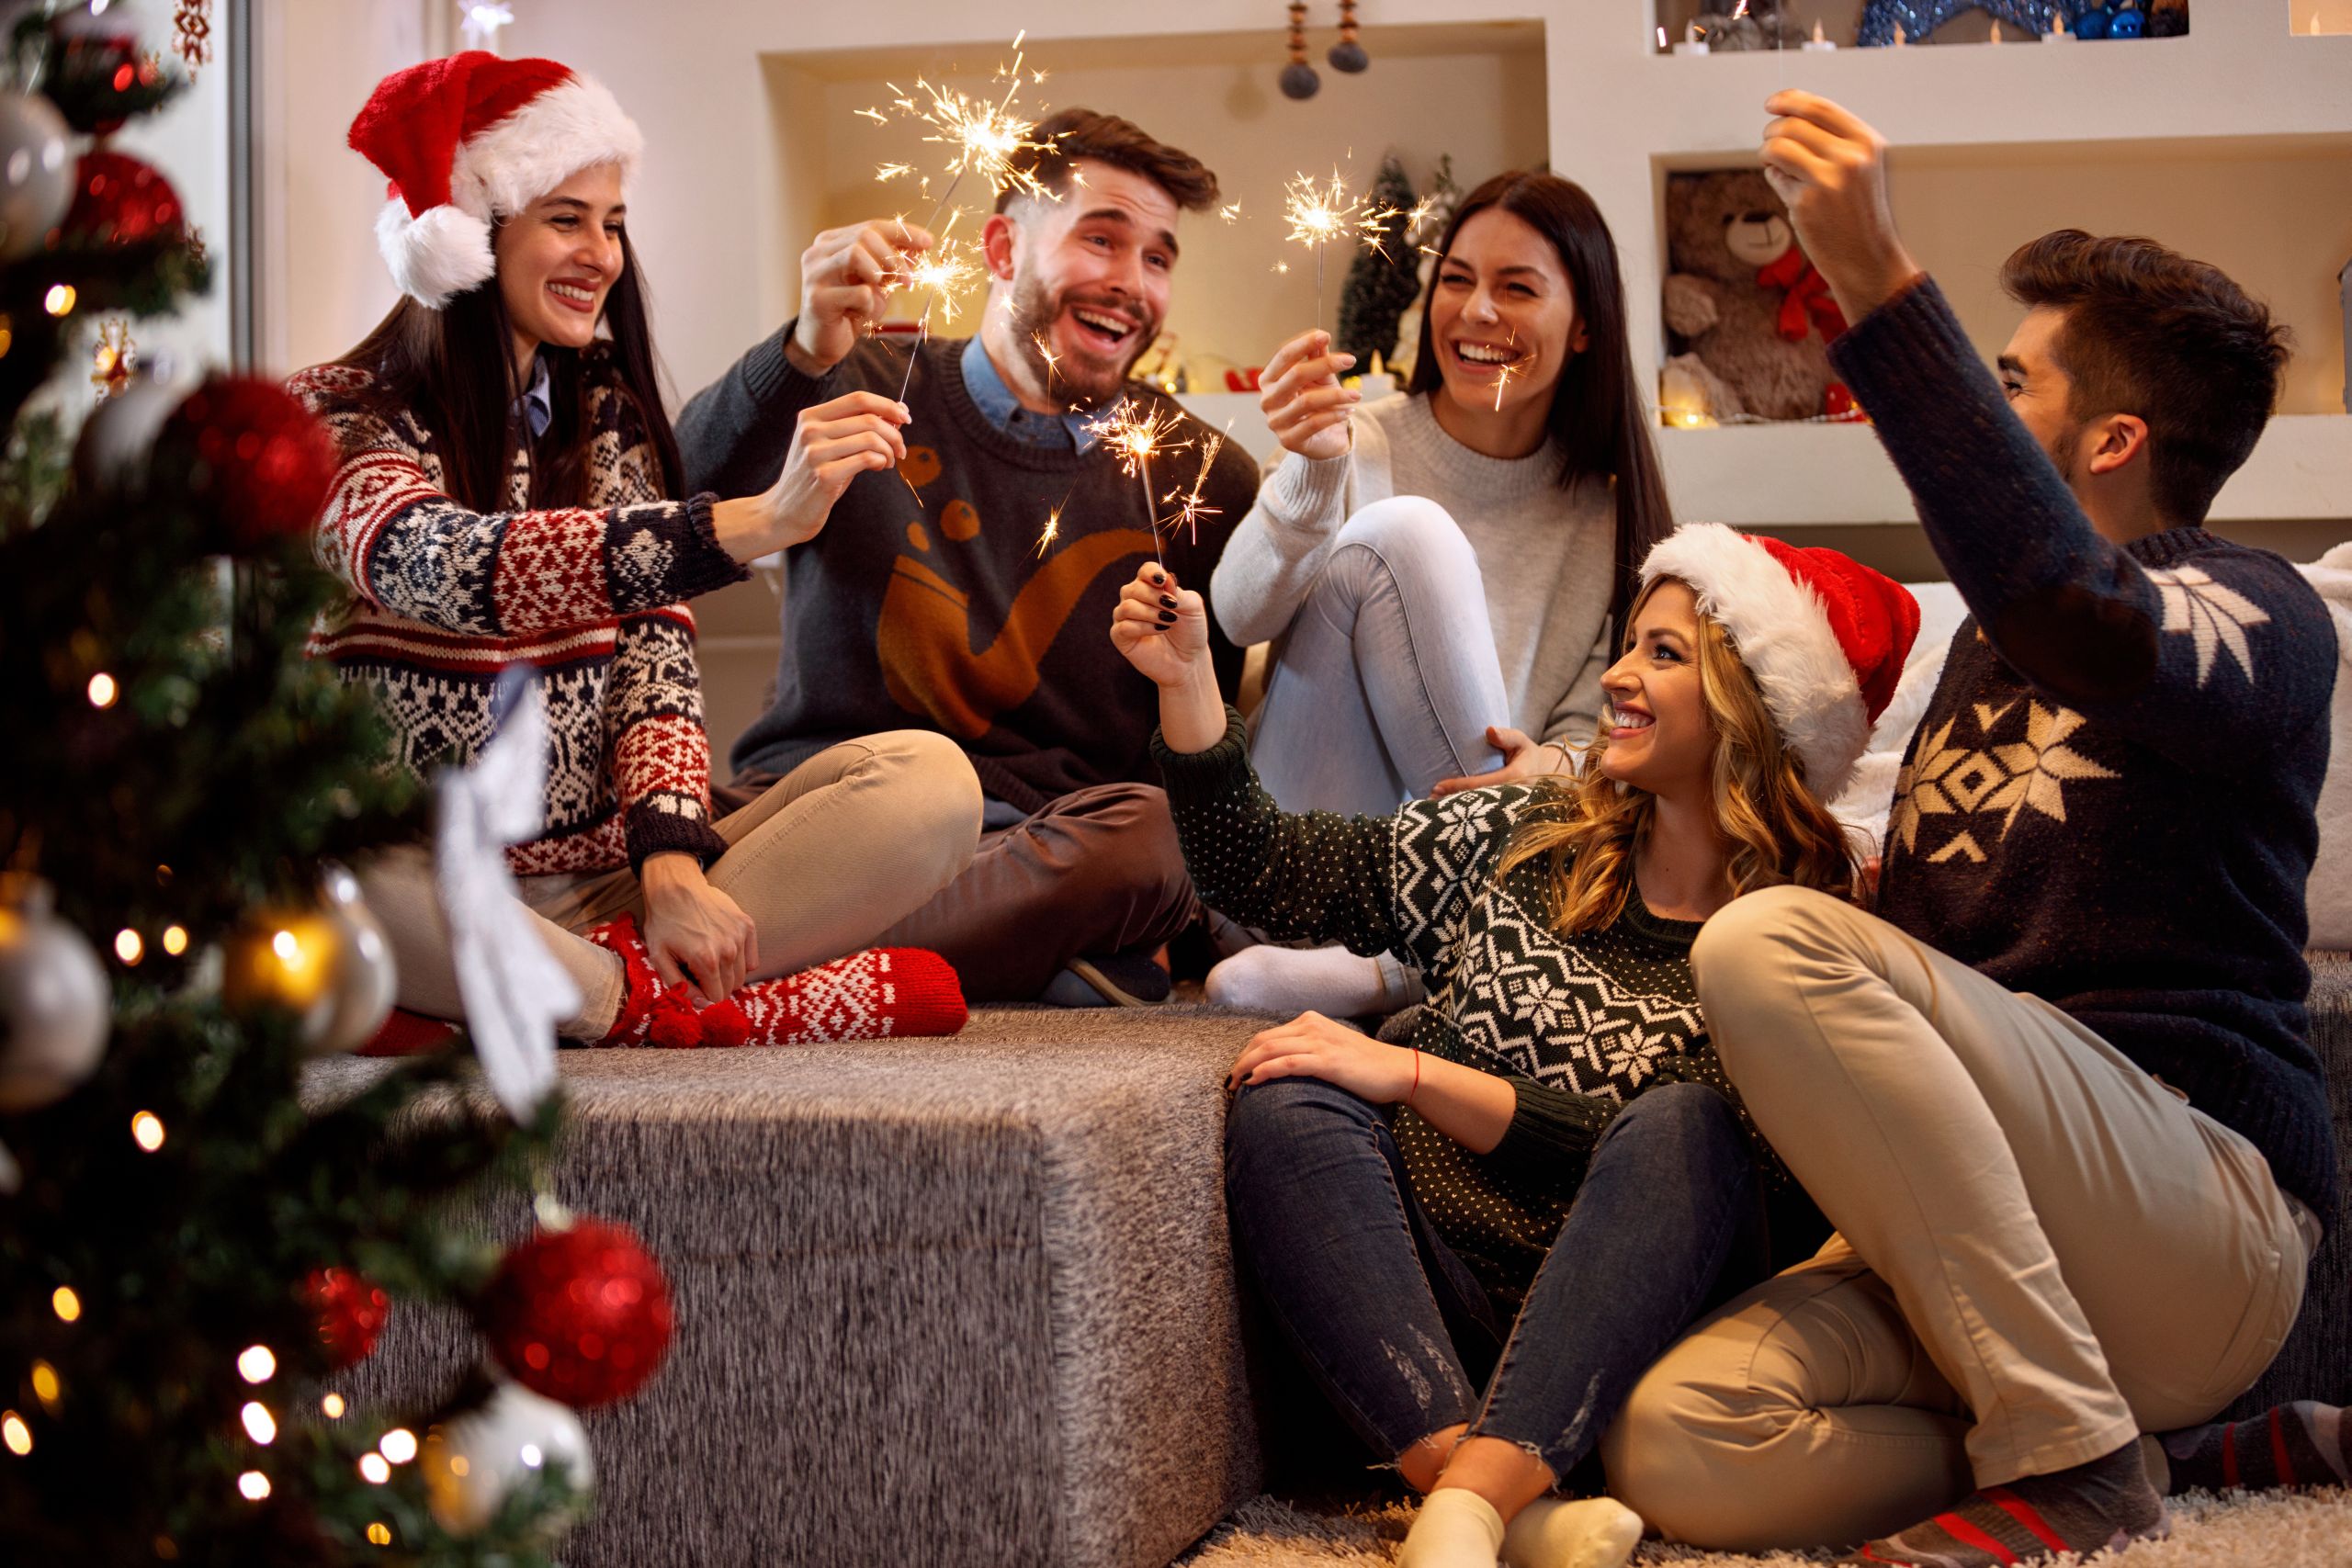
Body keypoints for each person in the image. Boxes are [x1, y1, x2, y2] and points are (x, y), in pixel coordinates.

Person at [1600, 93, 2338, 1568]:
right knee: (1682, 1441)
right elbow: (1901, 955)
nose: (1986, 408)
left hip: (2204, 1215)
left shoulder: (2256, 609)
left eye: (2015, 383)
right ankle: (2156, 1444)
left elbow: (2081, 608)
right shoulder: (1979, 660)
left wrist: (1878, 282)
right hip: (2000, 1233)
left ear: (2116, 436)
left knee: (1771, 946)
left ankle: (2071, 1456)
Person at [1111, 524, 1919, 1568]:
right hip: (1422, 1308)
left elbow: (1711, 1172)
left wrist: (1412, 1073)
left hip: (1628, 1339)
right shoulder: (1525, 836)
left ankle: (1471, 1500)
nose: (1620, 677)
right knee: (1289, 1087)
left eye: (1664, 655)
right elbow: (1264, 869)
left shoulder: (1803, 937)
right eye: (1631, 644)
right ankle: (1486, 1502)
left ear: (1752, 708)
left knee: (1686, 1121)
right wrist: (1184, 686)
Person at [295, 52, 980, 1047]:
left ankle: (566, 996)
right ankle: (669, 1006)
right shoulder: (335, 412)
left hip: (593, 893)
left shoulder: (605, 419)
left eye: (612, 224)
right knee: (324, 864)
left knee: (932, 787)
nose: (601, 256)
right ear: (468, 236)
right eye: (565, 219)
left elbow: (655, 663)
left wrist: (667, 863)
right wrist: (752, 522)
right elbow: (453, 568)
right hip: (422, 884)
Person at [677, 107, 1257, 1007]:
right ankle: (1020, 960)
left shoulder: (1203, 474)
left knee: (1157, 839)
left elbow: (1190, 755)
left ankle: (750, 961)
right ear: (1000, 249)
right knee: (661, 835)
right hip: (828, 812)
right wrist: (797, 351)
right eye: (1099, 240)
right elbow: (667, 498)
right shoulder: (855, 381)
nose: (1130, 283)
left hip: (1041, 840)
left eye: (1156, 257)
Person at [1205, 172, 1673, 1020]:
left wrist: (1553, 767)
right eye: (1456, 280)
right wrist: (1311, 478)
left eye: (1517, 288)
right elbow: (1239, 616)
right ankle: (1491, 945)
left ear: (1584, 331)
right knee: (1407, 533)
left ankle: (1412, 969)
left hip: (1441, 884)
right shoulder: (1355, 439)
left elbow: (1595, 732)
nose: (1477, 312)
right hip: (1300, 863)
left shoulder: (1608, 515)